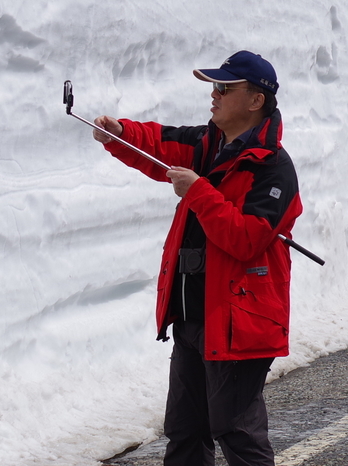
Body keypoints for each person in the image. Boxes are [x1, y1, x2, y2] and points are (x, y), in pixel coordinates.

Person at [93, 51, 301, 465]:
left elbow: (246, 239)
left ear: (255, 100)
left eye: (224, 87)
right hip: (193, 317)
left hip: (240, 322)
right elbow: (161, 142)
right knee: (185, 434)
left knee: (237, 433)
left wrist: (198, 191)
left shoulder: (274, 168)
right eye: (213, 86)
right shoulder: (209, 143)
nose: (214, 94)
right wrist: (120, 133)